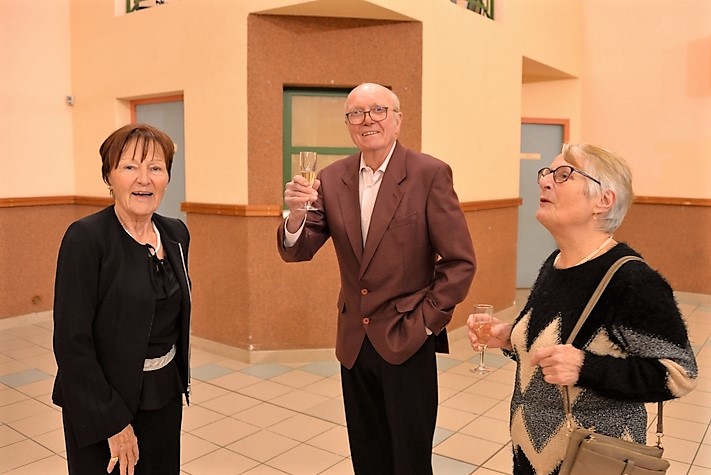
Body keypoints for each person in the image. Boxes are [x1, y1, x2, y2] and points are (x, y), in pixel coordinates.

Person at [277, 83, 476, 474]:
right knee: (367, 456)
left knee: (410, 459)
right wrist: (296, 215)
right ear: (348, 124)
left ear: (397, 120)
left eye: (378, 110)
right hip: (354, 340)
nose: (367, 119)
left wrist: (426, 323)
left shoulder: (429, 174)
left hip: (408, 335)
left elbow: (459, 262)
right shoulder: (332, 177)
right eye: (356, 113)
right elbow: (298, 250)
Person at [467, 143, 698, 475]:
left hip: (592, 462)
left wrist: (586, 367)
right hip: (530, 457)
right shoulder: (556, 264)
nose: (545, 181)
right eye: (547, 173)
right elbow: (556, 349)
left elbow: (680, 375)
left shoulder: (632, 280)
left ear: (603, 200)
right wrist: (508, 337)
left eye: (564, 175)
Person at [52, 124, 192, 475]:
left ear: (167, 177)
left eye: (156, 167)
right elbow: (71, 341)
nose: (144, 179)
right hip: (102, 399)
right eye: (130, 166)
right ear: (109, 177)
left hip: (163, 394)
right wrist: (110, 421)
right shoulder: (86, 239)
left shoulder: (176, 233)